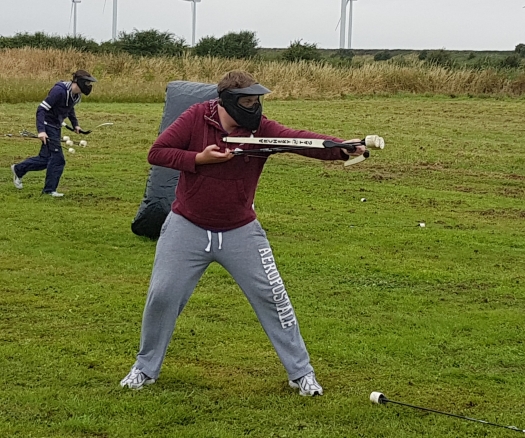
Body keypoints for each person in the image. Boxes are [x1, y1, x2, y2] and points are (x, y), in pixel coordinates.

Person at [120, 70, 365, 396]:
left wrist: (340, 149)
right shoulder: (196, 117)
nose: (255, 108)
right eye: (248, 102)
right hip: (186, 226)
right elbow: (158, 152)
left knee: (274, 298)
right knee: (162, 295)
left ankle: (301, 373)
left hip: (240, 231)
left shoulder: (261, 130)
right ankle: (145, 369)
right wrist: (199, 159)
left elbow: (297, 140)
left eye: (257, 101)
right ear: (228, 102)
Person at [10, 70, 97, 197]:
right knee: (58, 159)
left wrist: (75, 124)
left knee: (46, 159)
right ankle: (49, 190)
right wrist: (41, 131)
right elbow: (41, 109)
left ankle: (19, 169)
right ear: (79, 82)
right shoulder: (59, 91)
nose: (89, 85)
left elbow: (70, 109)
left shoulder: (76, 95)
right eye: (87, 82)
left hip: (56, 126)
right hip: (47, 126)